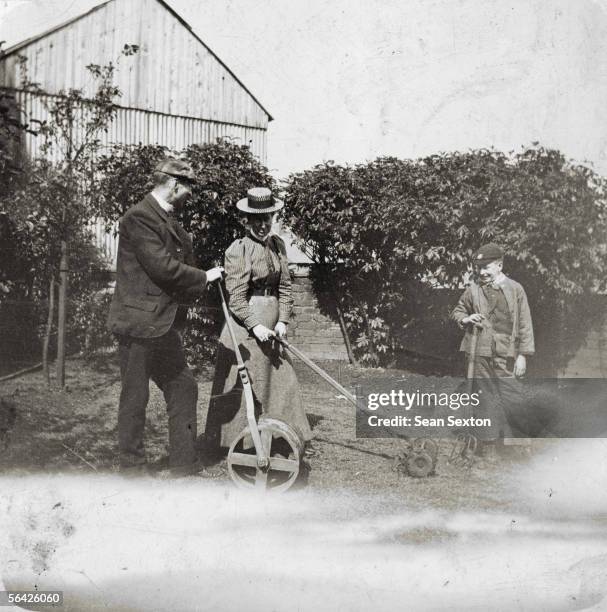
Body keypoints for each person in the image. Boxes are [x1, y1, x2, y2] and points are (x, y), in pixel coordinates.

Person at [107, 158, 224, 477]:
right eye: (189, 188)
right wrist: (205, 277)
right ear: (174, 184)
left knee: (183, 387)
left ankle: (184, 464)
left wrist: (197, 279)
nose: (190, 195)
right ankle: (132, 469)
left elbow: (178, 263)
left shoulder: (171, 223)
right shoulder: (139, 217)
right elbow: (162, 268)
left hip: (162, 325)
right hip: (138, 325)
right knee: (135, 397)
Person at [204, 187, 313, 455]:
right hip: (245, 328)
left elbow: (285, 288)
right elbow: (236, 299)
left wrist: (282, 321)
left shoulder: (278, 245)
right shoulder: (238, 249)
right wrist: (256, 325)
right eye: (257, 220)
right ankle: (238, 443)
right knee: (246, 385)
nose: (263, 225)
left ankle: (285, 438)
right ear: (247, 221)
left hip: (273, 323)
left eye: (268, 219)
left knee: (282, 381)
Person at [451, 243, 535, 459]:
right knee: (485, 397)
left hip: (506, 355)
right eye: (478, 267)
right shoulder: (473, 290)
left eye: (486, 267)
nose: (481, 272)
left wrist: (523, 356)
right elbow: (458, 310)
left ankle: (519, 446)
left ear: (499, 265)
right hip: (479, 352)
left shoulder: (516, 289)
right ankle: (488, 446)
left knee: (513, 396)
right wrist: (466, 318)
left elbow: (525, 324)